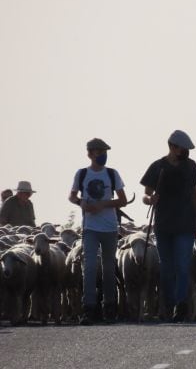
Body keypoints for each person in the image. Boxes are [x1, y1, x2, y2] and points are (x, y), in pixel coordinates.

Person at [141, 130, 196, 322]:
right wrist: (150, 199)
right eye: (183, 149)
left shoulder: (191, 167)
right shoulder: (158, 167)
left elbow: (195, 194)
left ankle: (180, 305)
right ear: (173, 147)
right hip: (163, 224)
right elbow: (145, 194)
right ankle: (168, 303)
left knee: (182, 266)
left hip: (185, 223)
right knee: (166, 267)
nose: (185, 152)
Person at [68, 138, 127, 325]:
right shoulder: (82, 174)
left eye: (105, 151)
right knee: (90, 267)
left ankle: (109, 307)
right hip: (90, 228)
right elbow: (72, 195)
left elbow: (123, 200)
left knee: (109, 268)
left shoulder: (112, 174)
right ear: (90, 153)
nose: (103, 155)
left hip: (109, 228)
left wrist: (104, 204)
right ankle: (89, 308)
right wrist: (81, 203)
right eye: (99, 151)